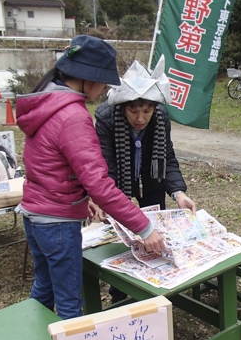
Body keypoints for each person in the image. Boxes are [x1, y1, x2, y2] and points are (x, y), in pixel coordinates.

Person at [15, 35, 164, 320]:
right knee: (70, 304)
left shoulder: (47, 104)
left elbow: (50, 166)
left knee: (43, 289)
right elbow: (100, 184)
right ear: (88, 79)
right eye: (104, 82)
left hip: (34, 215)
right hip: (58, 224)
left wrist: (81, 198)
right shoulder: (73, 115)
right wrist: (144, 228)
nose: (104, 89)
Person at [95, 56, 196, 303]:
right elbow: (106, 165)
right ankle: (119, 294)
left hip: (152, 182)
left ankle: (154, 289)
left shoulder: (161, 118)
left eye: (147, 111)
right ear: (122, 106)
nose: (141, 118)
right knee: (124, 239)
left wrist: (178, 193)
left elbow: (168, 158)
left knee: (154, 236)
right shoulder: (107, 119)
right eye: (134, 110)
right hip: (120, 186)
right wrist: (108, 200)